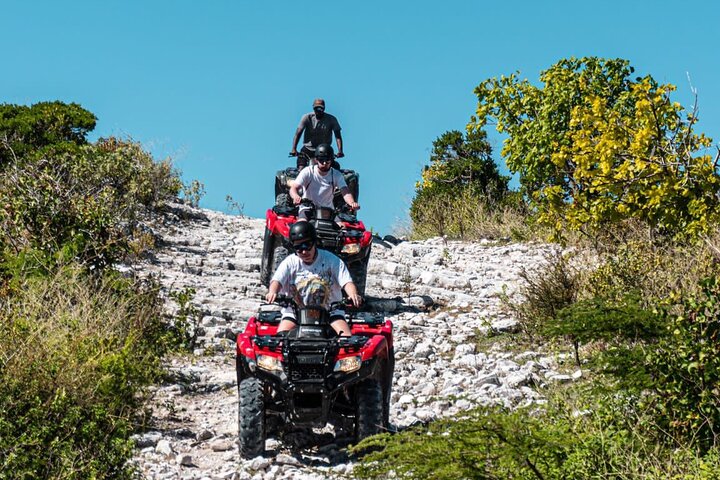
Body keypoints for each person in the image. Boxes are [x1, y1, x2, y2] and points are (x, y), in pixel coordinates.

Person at [265, 222, 361, 336]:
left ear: (314, 242)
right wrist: (272, 292)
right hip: (294, 314)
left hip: (330, 313)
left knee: (346, 340)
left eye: (307, 245)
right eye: (298, 248)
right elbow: (277, 281)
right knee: (280, 340)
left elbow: (347, 282)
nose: (304, 251)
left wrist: (353, 295)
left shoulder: (332, 260)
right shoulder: (289, 262)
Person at [288, 144, 359, 221]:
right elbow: (294, 188)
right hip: (307, 209)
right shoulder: (308, 171)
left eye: (327, 160)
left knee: (342, 228)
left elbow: (345, 191)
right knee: (302, 225)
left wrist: (352, 203)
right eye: (322, 160)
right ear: (316, 160)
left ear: (331, 160)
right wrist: (295, 196)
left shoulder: (336, 175)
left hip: (328, 211)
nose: (325, 163)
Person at [290, 98, 344, 169]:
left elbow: (338, 136)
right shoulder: (307, 117)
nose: (318, 111)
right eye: (316, 108)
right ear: (313, 108)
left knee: (334, 169)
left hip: (324, 150)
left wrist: (340, 151)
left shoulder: (331, 119)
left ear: (324, 109)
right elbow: (298, 133)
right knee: (301, 168)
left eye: (320, 108)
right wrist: (294, 148)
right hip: (308, 149)